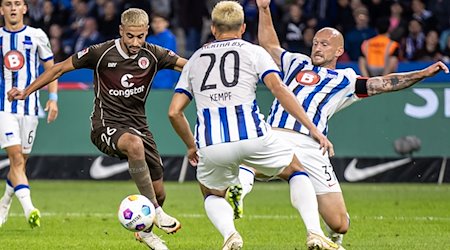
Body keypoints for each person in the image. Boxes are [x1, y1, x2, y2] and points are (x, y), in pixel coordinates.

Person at [230, 0, 449, 248]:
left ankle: (331, 240)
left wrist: (421, 73)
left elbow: (386, 83)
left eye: (324, 44)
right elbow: (270, 45)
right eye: (315, 43)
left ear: (338, 51)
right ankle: (239, 189)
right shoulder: (296, 63)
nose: (317, 48)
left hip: (313, 146)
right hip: (278, 134)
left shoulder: (345, 79)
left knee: (340, 224)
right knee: (255, 164)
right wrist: (264, 9)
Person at [8, 8, 187, 250]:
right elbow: (59, 68)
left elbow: (189, 66)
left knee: (158, 191)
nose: (136, 42)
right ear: (121, 31)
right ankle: (157, 211)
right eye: (130, 36)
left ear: (146, 33)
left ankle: (146, 232)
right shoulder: (101, 53)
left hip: (139, 126)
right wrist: (26, 92)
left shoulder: (154, 54)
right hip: (105, 125)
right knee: (135, 147)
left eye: (141, 36)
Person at [168, 1, 340, 250]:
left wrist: (191, 146)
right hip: (253, 135)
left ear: (214, 28)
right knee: (295, 170)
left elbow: (174, 112)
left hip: (211, 143)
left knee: (212, 194)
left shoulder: (195, 59)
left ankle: (231, 236)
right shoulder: (253, 51)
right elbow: (278, 89)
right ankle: (314, 233)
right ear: (243, 28)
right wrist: (313, 129)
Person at [0, 0, 59, 229]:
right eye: (7, 4)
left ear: (25, 8)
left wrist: (53, 99)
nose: (13, 8)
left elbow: (51, 69)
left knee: (20, 164)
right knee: (15, 159)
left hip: (31, 108)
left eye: (17, 4)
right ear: (1, 9)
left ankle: (4, 203)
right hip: (4, 107)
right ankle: (30, 209)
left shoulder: (37, 35)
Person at [146, 13, 180, 89]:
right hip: (151, 80)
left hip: (166, 80)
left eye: (160, 21)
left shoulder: (169, 38)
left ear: (166, 23)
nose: (157, 24)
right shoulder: (149, 39)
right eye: (155, 22)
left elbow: (164, 56)